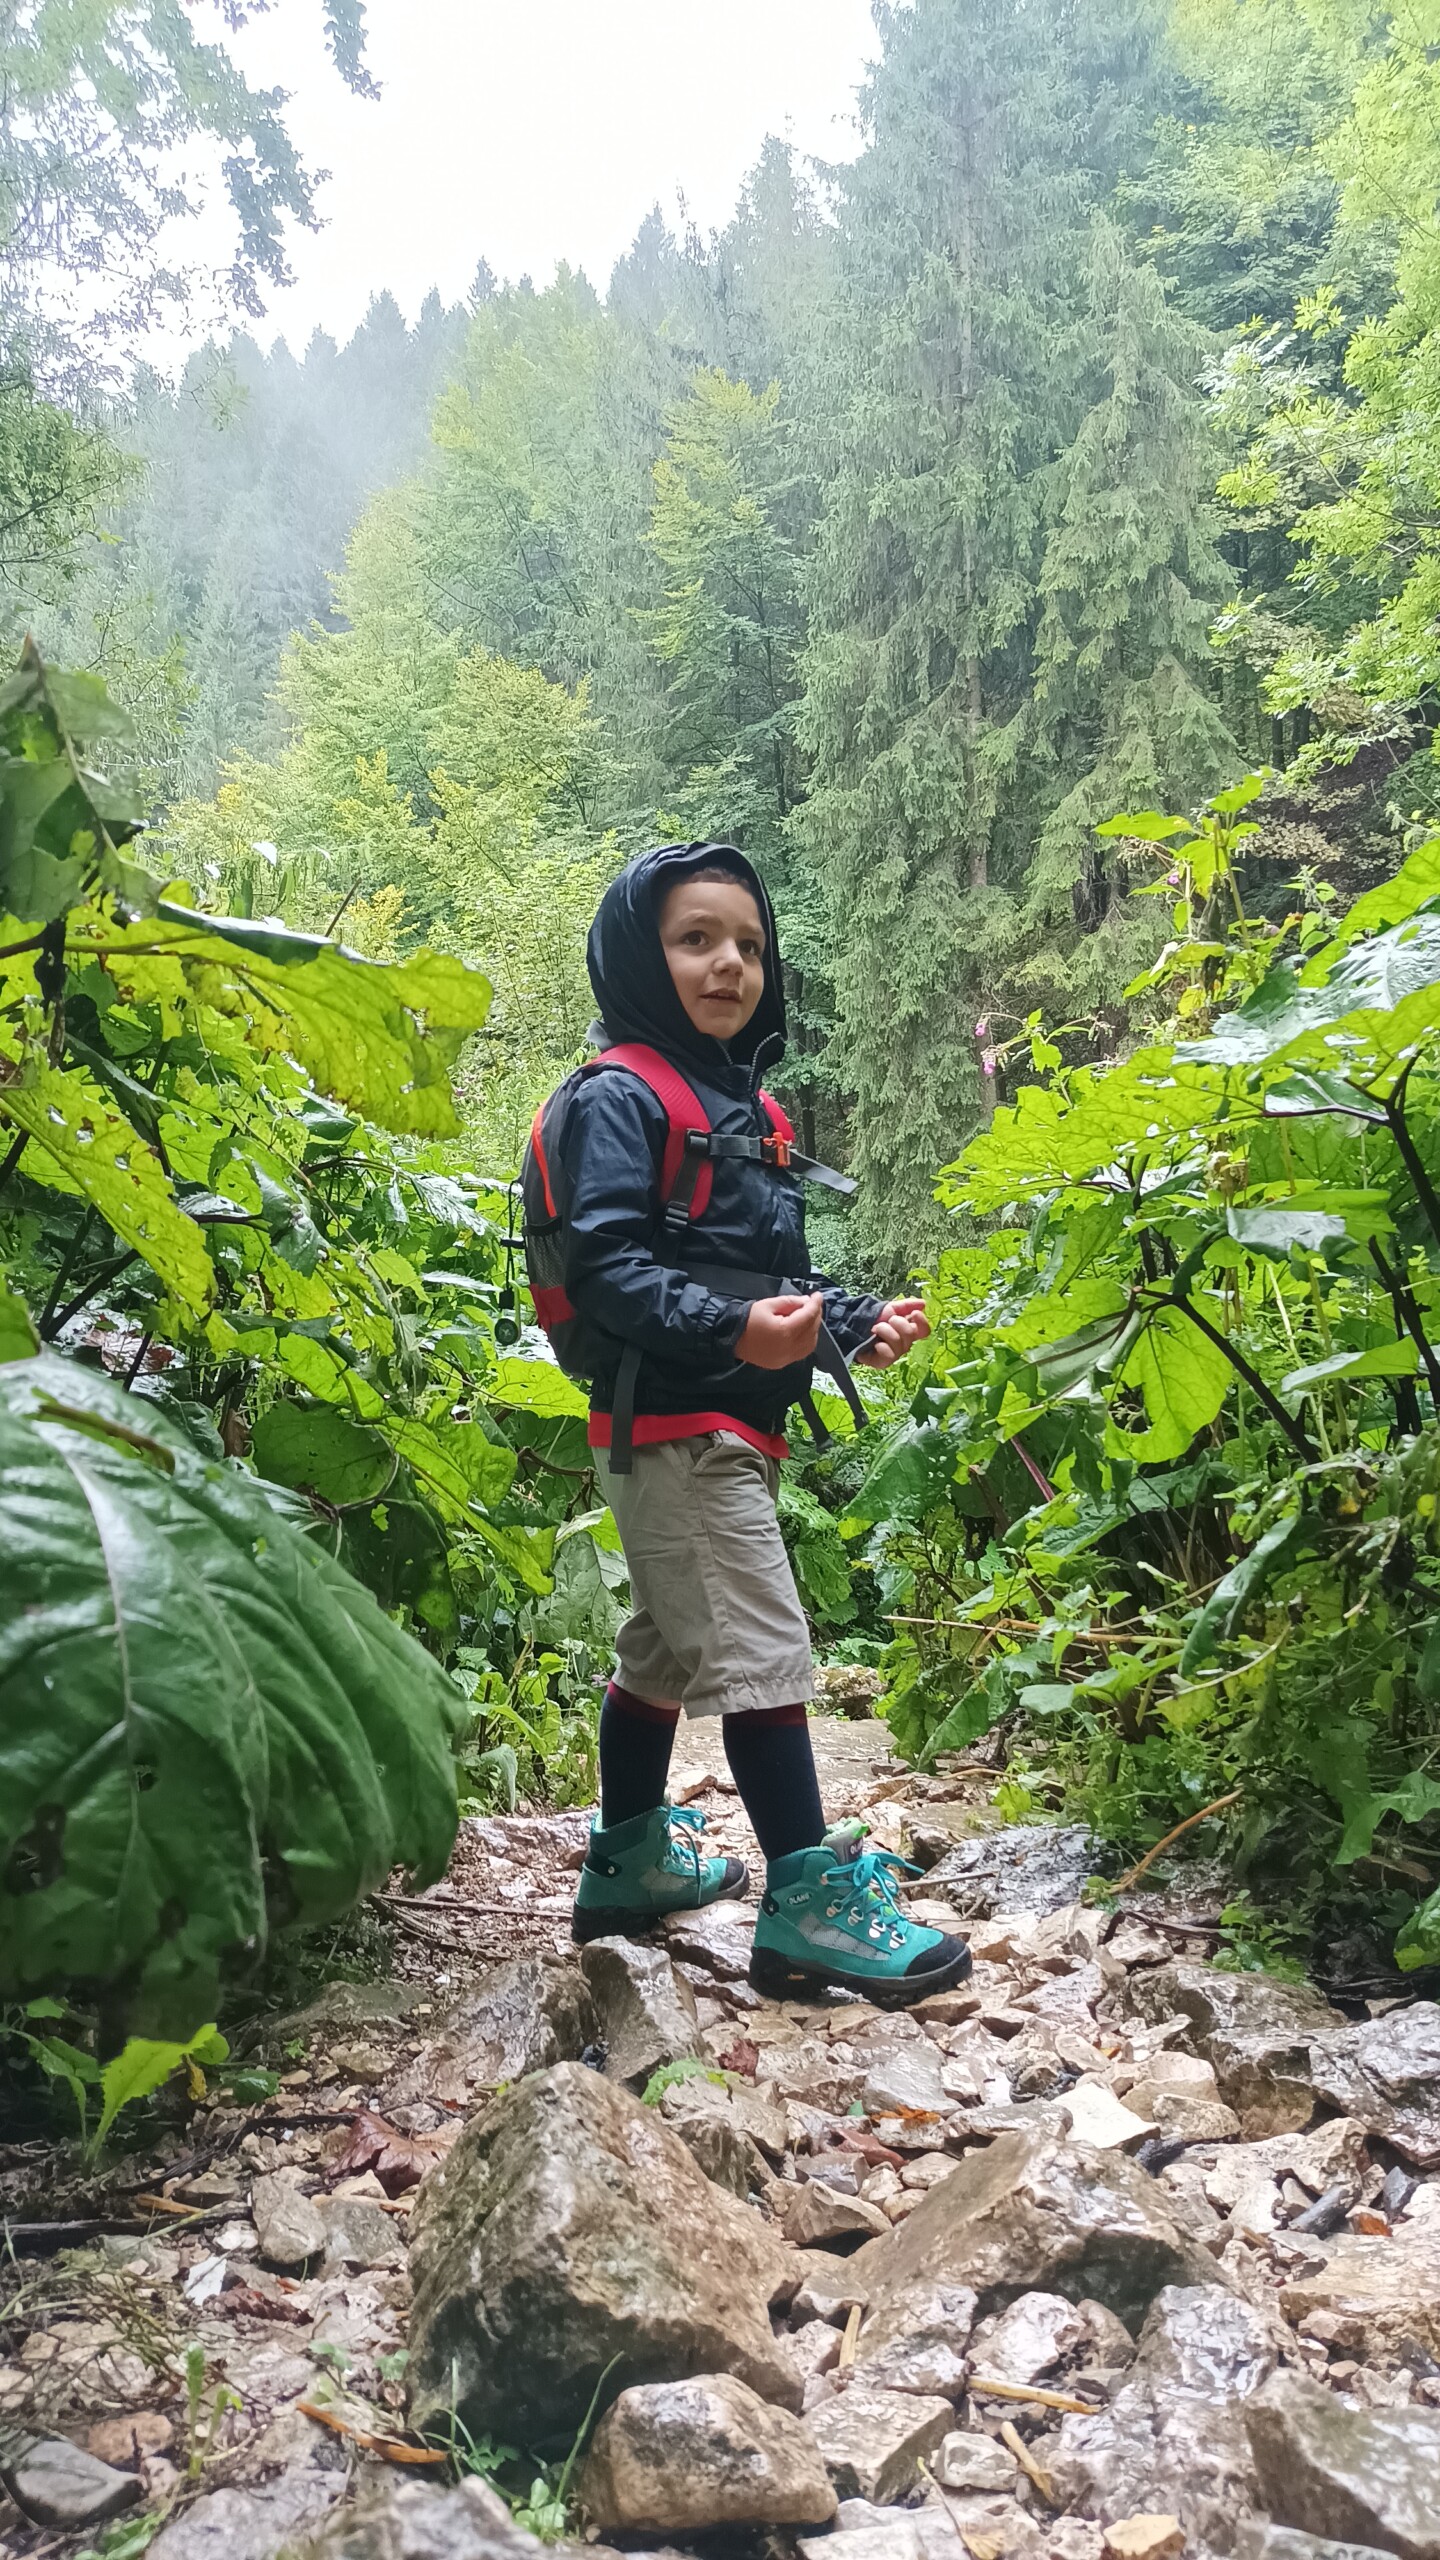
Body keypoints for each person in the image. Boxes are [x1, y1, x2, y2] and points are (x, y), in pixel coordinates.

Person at [545, 840, 973, 2004]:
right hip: (678, 1424)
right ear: (641, 956)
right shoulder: (619, 1098)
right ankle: (806, 1902)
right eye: (695, 939)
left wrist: (850, 1318)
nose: (728, 962)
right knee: (762, 1650)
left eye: (747, 943)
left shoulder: (745, 1109)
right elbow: (609, 1272)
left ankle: (628, 1860)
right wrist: (743, 1335)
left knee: (671, 1649)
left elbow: (766, 1269)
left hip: (711, 1422)